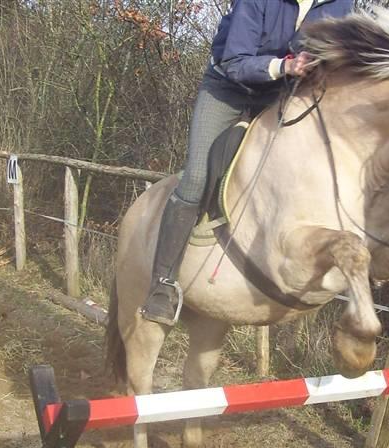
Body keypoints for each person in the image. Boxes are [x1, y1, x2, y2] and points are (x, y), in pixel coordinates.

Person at [142, 0, 354, 326]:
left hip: (279, 94)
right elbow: (235, 61)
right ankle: (162, 283)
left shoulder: (342, 5)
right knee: (197, 177)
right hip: (228, 87)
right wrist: (285, 66)